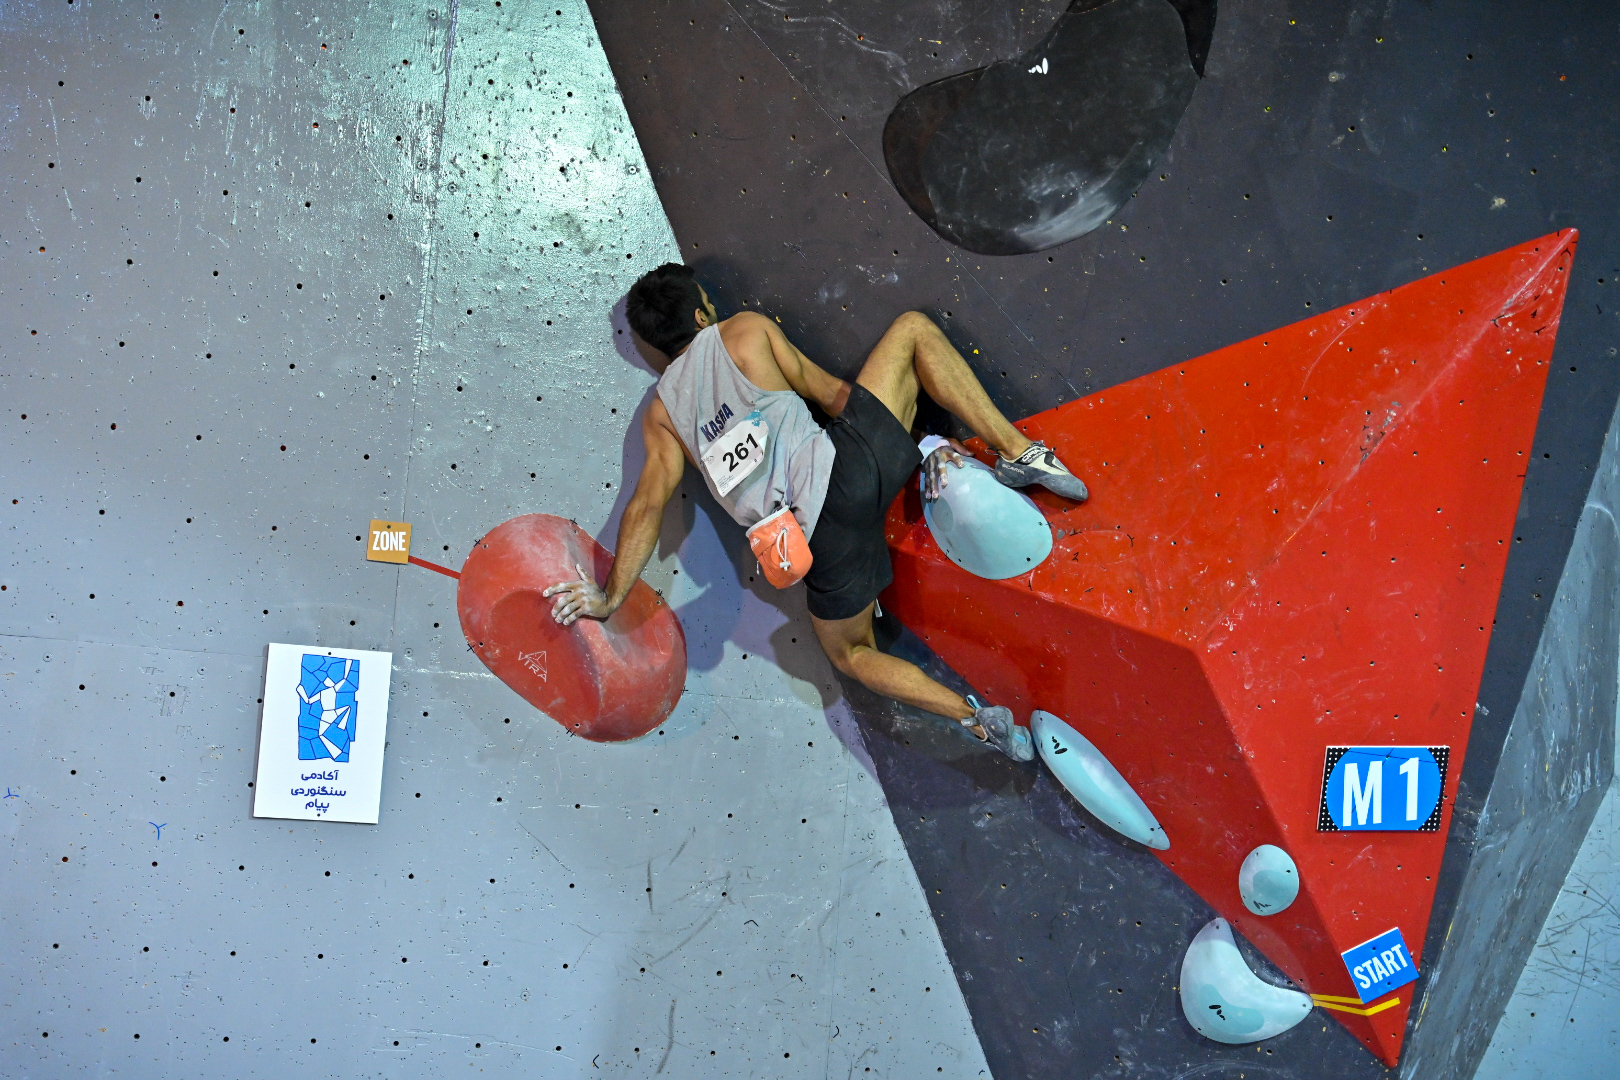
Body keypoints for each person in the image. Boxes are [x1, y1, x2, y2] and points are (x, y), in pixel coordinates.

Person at [543, 263, 1087, 760]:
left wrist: (610, 596)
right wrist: (917, 441)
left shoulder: (662, 415)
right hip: (852, 468)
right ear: (701, 315)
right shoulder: (745, 331)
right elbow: (829, 393)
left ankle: (977, 720)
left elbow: (646, 505)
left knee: (851, 654)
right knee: (913, 331)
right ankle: (1021, 453)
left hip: (815, 546)